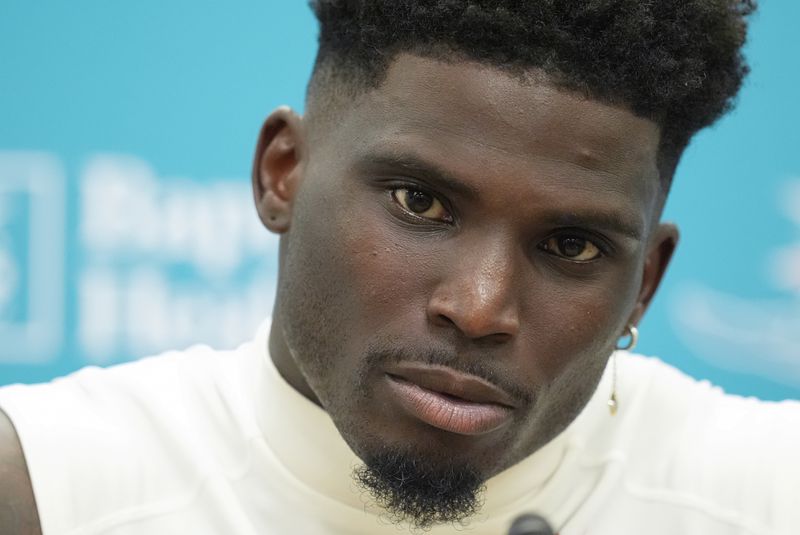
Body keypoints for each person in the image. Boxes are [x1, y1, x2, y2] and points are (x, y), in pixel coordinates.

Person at [1, 1, 797, 534]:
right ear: (284, 172)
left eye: (572, 245)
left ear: (644, 285)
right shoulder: (44, 489)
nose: (481, 307)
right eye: (420, 202)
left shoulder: (766, 495)